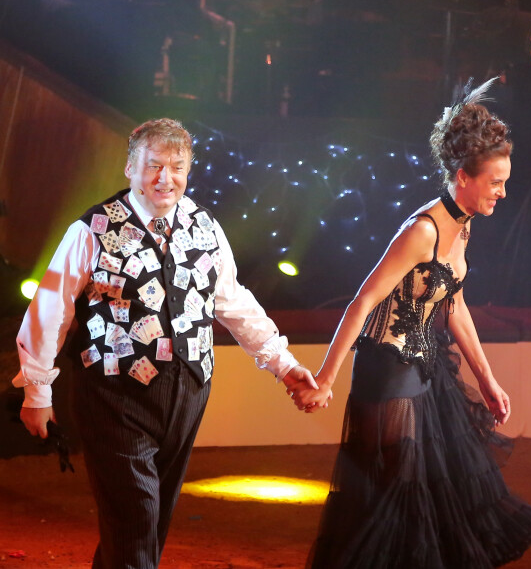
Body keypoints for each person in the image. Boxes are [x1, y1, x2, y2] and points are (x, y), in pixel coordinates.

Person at [13, 118, 318, 569]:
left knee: (147, 524)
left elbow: (234, 304)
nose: (165, 177)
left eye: (176, 167)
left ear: (188, 171)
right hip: (113, 395)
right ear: (130, 168)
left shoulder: (205, 227)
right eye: (153, 166)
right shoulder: (92, 229)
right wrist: (37, 391)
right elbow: (50, 310)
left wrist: (284, 365)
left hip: (188, 391)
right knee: (136, 517)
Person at [289, 78, 531, 568]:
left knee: (429, 496)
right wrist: (324, 378)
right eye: (495, 182)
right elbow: (361, 303)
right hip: (386, 372)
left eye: (505, 181)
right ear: (463, 176)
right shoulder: (422, 231)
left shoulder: (463, 225)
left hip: (424, 372)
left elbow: (454, 304)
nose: (503, 191)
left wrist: (487, 378)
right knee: (395, 501)